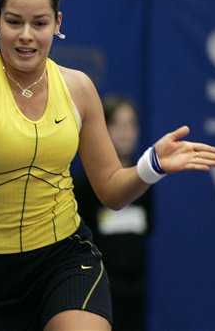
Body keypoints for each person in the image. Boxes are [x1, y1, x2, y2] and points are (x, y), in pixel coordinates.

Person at [0, 0, 215, 331]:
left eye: (40, 23)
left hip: (65, 255)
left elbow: (111, 188)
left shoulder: (78, 88)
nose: (26, 36)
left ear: (57, 23)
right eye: (15, 22)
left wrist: (152, 165)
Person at [74, 95, 151, 331]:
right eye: (117, 124)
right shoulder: (83, 185)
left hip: (134, 289)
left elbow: (147, 227)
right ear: (103, 130)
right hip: (97, 287)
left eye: (131, 124)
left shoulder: (144, 181)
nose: (125, 132)